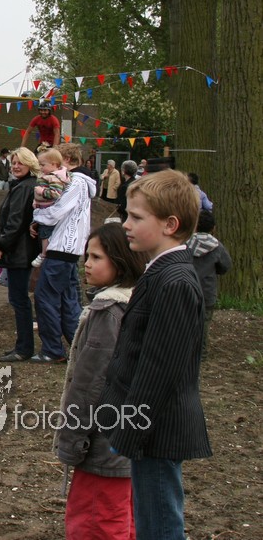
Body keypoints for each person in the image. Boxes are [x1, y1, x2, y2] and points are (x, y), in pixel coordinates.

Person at [100, 170, 212, 539]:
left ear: (170, 225)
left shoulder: (175, 282)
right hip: (148, 426)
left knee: (160, 525)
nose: (125, 224)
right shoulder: (159, 272)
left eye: (136, 217)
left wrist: (132, 428)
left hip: (156, 429)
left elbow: (160, 367)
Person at [54, 222, 145, 539]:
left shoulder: (108, 312)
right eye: (86, 256)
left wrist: (72, 439)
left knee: (96, 522)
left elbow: (90, 383)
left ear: (119, 261)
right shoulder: (140, 304)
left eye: (96, 257)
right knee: (124, 519)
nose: (87, 264)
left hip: (104, 442)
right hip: (131, 436)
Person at [31, 143, 95, 363]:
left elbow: (57, 212)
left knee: (45, 297)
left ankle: (53, 350)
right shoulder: (78, 182)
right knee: (68, 300)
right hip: (69, 248)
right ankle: (80, 347)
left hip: (62, 247)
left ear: (65, 160)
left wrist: (37, 216)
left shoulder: (76, 182)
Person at [0, 147, 42, 362]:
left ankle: (23, 348)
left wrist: (1, 245)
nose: (16, 166)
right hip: (22, 250)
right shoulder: (24, 185)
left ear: (30, 164)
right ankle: (23, 346)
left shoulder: (24, 187)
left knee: (19, 300)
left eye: (20, 162)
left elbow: (15, 220)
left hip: (19, 252)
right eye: (13, 162)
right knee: (19, 300)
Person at [187, 209, 231, 358]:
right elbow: (226, 266)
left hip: (187, 288)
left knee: (186, 319)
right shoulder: (217, 246)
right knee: (204, 322)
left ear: (194, 226)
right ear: (213, 228)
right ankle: (201, 352)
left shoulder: (185, 244)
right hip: (207, 291)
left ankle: (184, 349)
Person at [30, 148, 71, 268]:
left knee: (45, 233)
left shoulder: (54, 178)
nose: (40, 167)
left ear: (54, 164)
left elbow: (55, 194)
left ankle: (44, 254)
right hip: (43, 209)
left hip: (49, 212)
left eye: (43, 165)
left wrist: (41, 191)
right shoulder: (48, 176)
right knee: (42, 231)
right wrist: (36, 201)